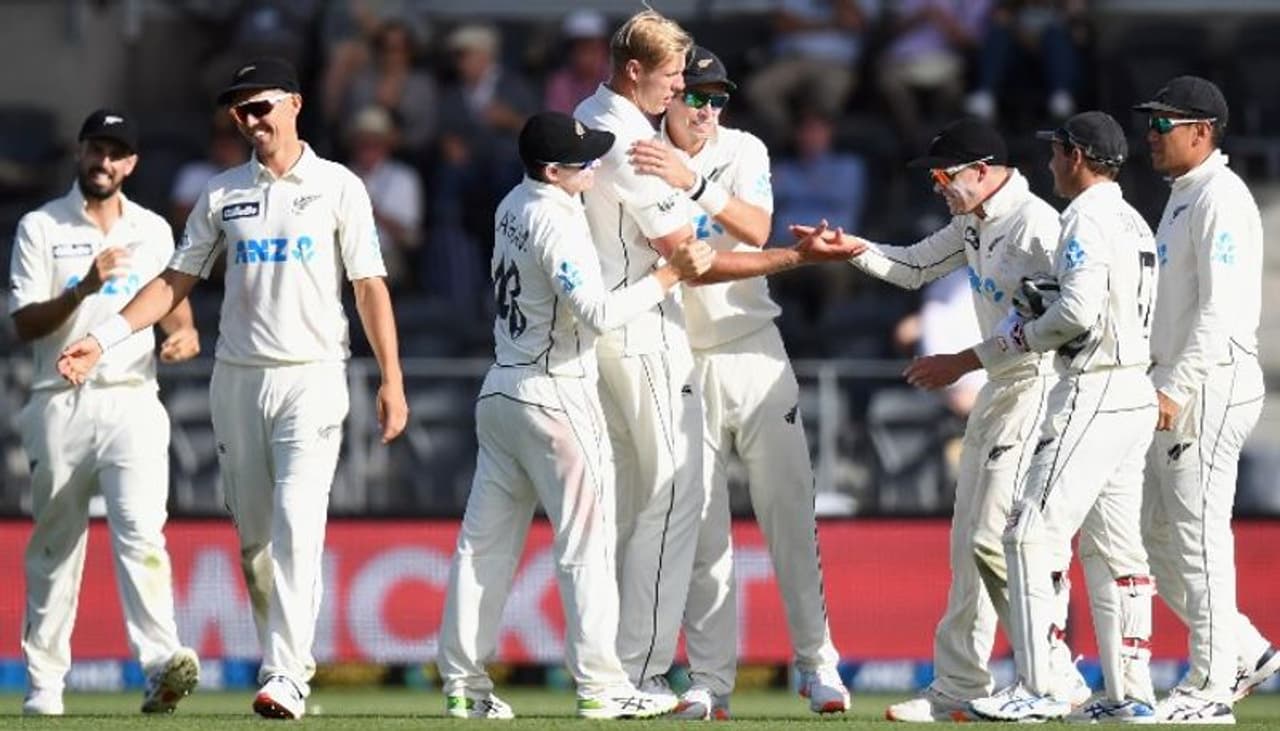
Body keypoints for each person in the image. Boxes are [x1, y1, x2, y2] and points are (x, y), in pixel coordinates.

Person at [55, 58, 409, 720]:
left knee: (298, 519)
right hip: (238, 380)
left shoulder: (338, 186)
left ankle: (287, 674)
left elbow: (368, 286)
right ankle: (287, 662)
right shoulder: (222, 193)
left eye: (260, 105)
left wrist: (392, 377)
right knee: (257, 546)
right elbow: (173, 282)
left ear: (295, 103)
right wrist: (102, 338)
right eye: (239, 110)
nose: (248, 120)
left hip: (313, 375)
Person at [574, 9, 862, 695]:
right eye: (694, 97)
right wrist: (675, 175)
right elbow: (689, 263)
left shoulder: (744, 150)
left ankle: (817, 664)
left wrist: (694, 180)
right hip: (684, 355)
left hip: (755, 348)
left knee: (789, 514)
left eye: (717, 99)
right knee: (702, 531)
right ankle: (710, 681)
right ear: (671, 97)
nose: (706, 111)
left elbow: (756, 226)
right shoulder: (639, 147)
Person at [792, 118, 1088, 721]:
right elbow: (912, 267)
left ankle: (1053, 675)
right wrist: (851, 248)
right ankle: (960, 683)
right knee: (966, 546)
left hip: (1037, 389)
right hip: (998, 389)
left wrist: (963, 361)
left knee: (992, 540)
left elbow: (1065, 323)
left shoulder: (1036, 227)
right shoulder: (974, 221)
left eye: (944, 176)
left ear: (982, 170)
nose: (937, 187)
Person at [435, 111, 713, 721]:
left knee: (483, 547)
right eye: (583, 162)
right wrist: (670, 273)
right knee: (586, 544)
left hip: (502, 388)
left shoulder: (513, 202)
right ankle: (602, 687)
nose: (594, 167)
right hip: (554, 391)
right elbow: (598, 315)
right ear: (552, 171)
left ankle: (463, 685)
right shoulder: (555, 220)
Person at [961, 111, 1158, 723]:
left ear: (1076, 156)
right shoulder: (1133, 218)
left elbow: (1075, 312)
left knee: (1026, 534)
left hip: (1092, 387)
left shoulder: (1084, 217)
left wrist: (1024, 332)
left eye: (1056, 152)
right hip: (1135, 389)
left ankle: (1042, 687)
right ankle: (1130, 695)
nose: (1049, 163)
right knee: (1117, 552)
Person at [9, 109, 201, 716]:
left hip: (133, 398)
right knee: (56, 546)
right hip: (59, 400)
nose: (105, 161)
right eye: (97, 148)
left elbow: (171, 304)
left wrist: (184, 334)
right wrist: (83, 289)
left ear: (132, 163)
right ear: (80, 151)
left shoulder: (152, 229)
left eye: (117, 153)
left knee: (141, 531)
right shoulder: (41, 226)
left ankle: (160, 665)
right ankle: (45, 685)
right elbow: (24, 324)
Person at [1133, 75, 1280, 723]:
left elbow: (1220, 311)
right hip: (1178, 380)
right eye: (1150, 123)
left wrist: (1175, 385)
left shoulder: (1221, 196)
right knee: (1153, 537)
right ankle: (1244, 651)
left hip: (1209, 382)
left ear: (1202, 131)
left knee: (1197, 536)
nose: (1151, 135)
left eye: (1163, 124)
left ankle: (1211, 686)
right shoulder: (1183, 196)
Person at [345, 105, 423, 289]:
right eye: (362, 143)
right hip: (345, 254)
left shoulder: (404, 178)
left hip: (386, 254)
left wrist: (372, 211)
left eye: (374, 143)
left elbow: (411, 237)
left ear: (386, 145)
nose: (367, 149)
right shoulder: (342, 175)